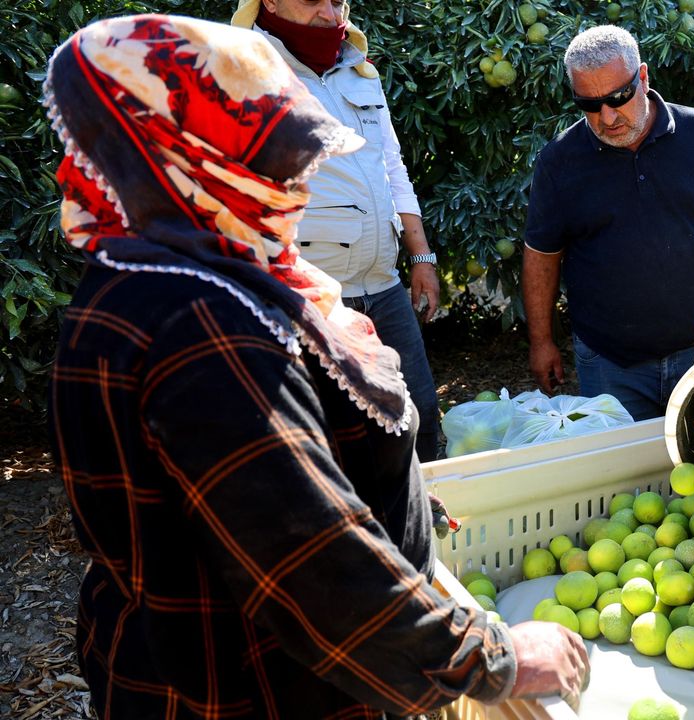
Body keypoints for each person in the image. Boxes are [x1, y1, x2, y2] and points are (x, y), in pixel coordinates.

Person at [45, 15, 586, 718]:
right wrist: (490, 658)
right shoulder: (203, 326)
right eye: (275, 164)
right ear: (197, 160)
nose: (300, 188)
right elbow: (309, 560)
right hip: (249, 688)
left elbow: (249, 482)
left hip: (176, 654)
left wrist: (388, 495)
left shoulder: (148, 272)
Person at [231, 0, 443, 460]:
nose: (331, 14)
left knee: (421, 414)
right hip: (312, 298)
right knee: (338, 438)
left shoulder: (358, 69)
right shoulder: (245, 72)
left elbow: (391, 166)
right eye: (314, 1)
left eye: (338, 1)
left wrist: (421, 257)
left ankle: (429, 507)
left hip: (383, 285)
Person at [523, 26, 694, 420]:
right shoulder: (559, 161)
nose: (607, 116)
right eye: (589, 104)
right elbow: (541, 257)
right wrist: (541, 342)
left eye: (619, 97)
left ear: (644, 77)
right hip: (610, 363)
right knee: (622, 461)